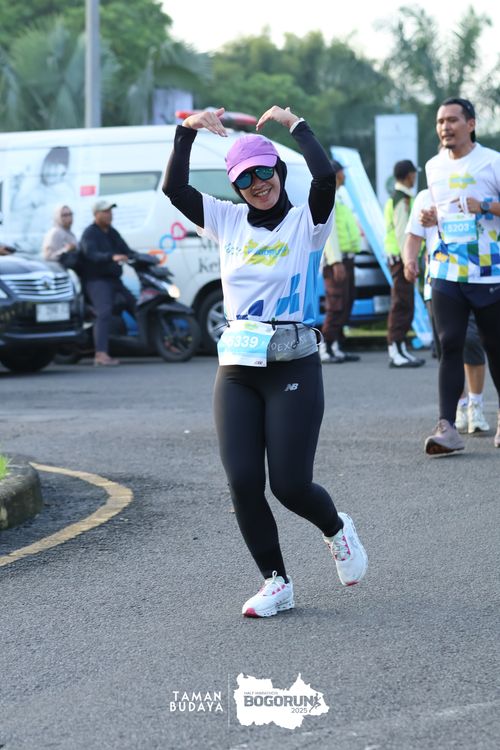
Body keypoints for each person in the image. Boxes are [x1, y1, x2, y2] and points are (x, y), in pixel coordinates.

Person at [163, 105, 368, 618]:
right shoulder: (227, 219)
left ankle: (337, 530)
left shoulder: (307, 221)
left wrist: (295, 125)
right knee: (242, 481)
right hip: (237, 369)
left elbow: (324, 176)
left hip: (292, 364)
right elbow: (174, 188)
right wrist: (186, 131)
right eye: (244, 179)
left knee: (290, 485)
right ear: (235, 187)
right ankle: (276, 582)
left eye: (263, 172)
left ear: (278, 169)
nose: (257, 184)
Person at [404, 97, 500, 453]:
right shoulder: (433, 166)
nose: (445, 127)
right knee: (450, 344)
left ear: (471, 124)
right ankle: (447, 426)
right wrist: (431, 218)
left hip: (488, 270)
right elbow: (441, 211)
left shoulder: (492, 162)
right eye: (440, 121)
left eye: (452, 120)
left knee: (494, 347)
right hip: (446, 269)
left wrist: (485, 205)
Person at [404, 189, 491, 438]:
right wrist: (409, 261)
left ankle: (476, 405)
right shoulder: (425, 197)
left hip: (479, 278)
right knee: (447, 348)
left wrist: (482, 206)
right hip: (439, 283)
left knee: (473, 342)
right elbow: (413, 237)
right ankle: (458, 408)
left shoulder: (478, 189)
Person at [79, 199, 136, 367]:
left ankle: (161, 342)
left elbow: (126, 250)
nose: (109, 215)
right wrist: (111, 257)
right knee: (103, 312)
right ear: (96, 214)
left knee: (136, 305)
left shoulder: (112, 232)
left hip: (114, 279)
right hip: (97, 280)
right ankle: (100, 354)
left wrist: (144, 257)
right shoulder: (90, 233)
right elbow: (91, 254)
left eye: (110, 211)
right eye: (105, 212)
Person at [318, 160, 361, 364]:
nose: (345, 176)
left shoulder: (338, 198)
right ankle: (325, 348)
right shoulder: (328, 198)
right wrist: (335, 261)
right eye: (342, 173)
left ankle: (334, 345)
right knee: (335, 304)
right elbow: (330, 234)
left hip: (346, 259)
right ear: (336, 174)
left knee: (346, 302)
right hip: (337, 261)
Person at [384, 160, 425, 368]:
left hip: (401, 259)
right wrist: (409, 260)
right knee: (401, 304)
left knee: (405, 303)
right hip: (401, 259)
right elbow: (402, 233)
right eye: (414, 174)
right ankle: (395, 350)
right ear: (409, 175)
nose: (415, 177)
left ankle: (400, 348)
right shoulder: (402, 200)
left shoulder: (399, 197)